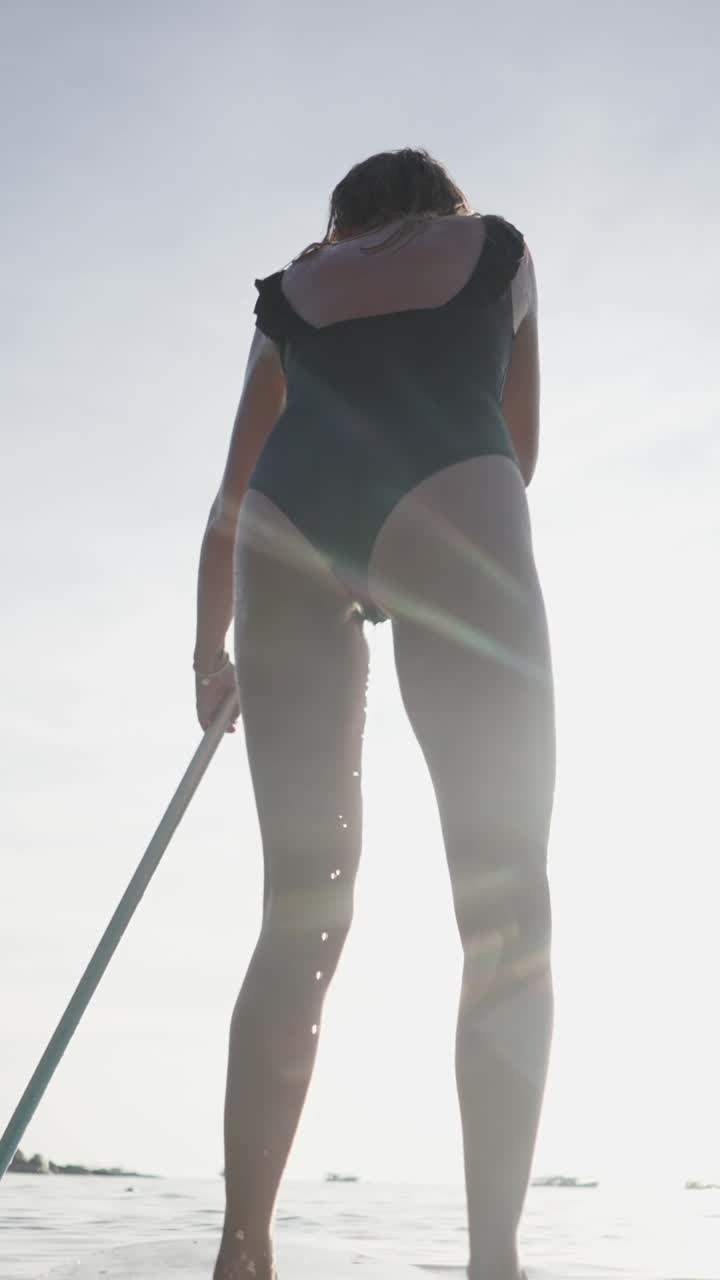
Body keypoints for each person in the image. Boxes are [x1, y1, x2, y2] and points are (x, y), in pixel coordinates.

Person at [193, 148, 555, 1280]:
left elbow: (229, 496)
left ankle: (243, 1247)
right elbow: (521, 446)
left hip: (286, 529)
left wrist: (217, 651)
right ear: (440, 204)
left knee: (298, 912)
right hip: (454, 492)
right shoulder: (498, 247)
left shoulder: (289, 291)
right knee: (506, 904)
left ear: (341, 217)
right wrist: (414, 572)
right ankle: (493, 1255)